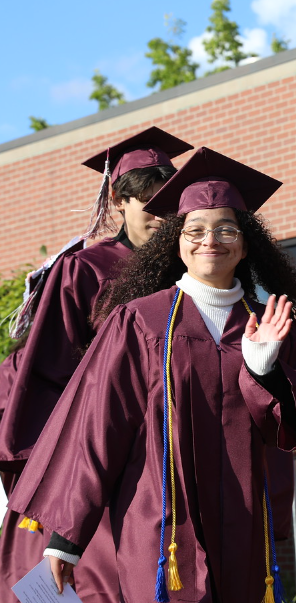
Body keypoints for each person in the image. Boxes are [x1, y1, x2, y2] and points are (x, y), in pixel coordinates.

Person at [7, 147, 296, 603]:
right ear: (176, 242)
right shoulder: (140, 322)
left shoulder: (270, 322)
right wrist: (67, 537)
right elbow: (99, 426)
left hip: (245, 520)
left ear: (245, 243)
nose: (210, 240)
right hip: (161, 519)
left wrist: (265, 372)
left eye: (226, 229)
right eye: (195, 230)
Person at [0, 126, 192, 602]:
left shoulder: (189, 272)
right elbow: (48, 368)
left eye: (167, 204)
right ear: (119, 202)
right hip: (99, 441)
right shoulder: (86, 269)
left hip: (174, 441)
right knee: (94, 578)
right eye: (145, 202)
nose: (157, 214)